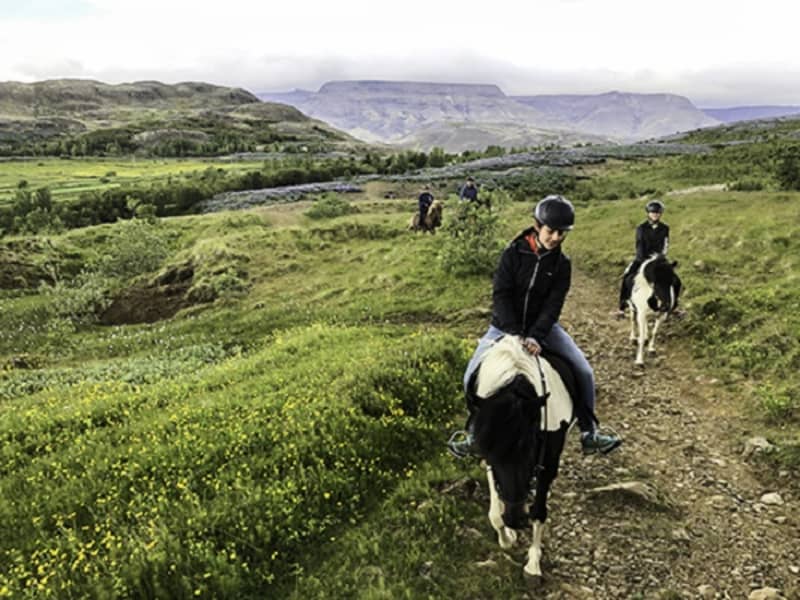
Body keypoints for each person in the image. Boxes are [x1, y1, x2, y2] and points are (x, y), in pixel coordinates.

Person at [448, 195, 623, 458]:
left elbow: (554, 304)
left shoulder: (562, 265)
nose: (555, 238)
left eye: (561, 233)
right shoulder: (512, 254)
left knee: (584, 371)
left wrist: (536, 335)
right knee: (470, 374)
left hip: (544, 329)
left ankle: (589, 432)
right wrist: (514, 332)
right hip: (503, 328)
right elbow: (501, 295)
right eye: (551, 231)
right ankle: (474, 433)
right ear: (537, 226)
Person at [615, 199, 670, 318]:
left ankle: (673, 305)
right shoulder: (641, 228)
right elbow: (639, 245)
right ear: (648, 214)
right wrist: (644, 260)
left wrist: (661, 258)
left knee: (673, 278)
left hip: (658, 259)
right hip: (642, 258)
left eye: (657, 213)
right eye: (653, 212)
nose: (655, 215)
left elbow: (665, 244)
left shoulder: (665, 228)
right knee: (627, 276)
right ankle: (622, 306)